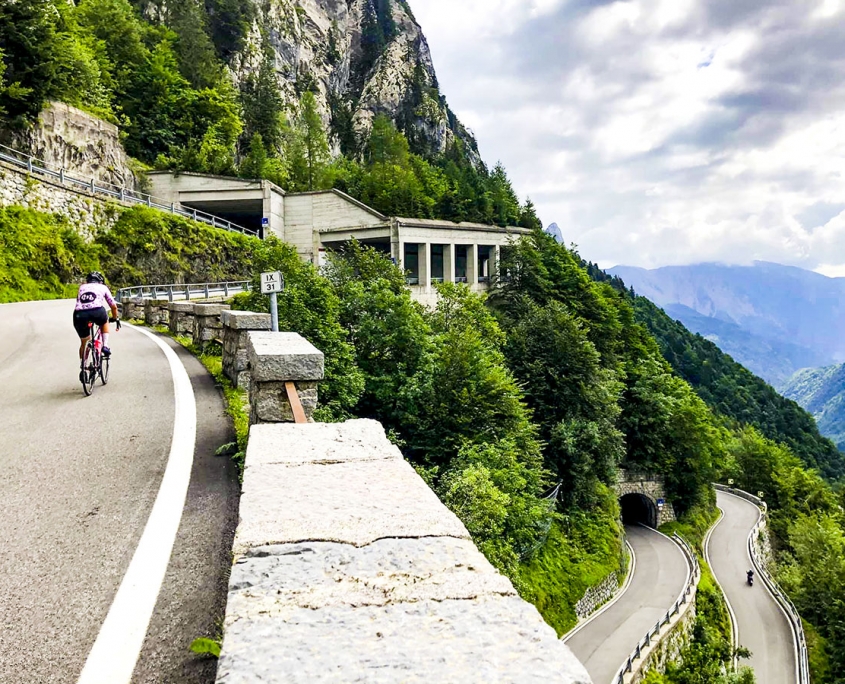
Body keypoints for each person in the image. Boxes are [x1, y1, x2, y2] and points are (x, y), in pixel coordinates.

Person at [74, 272, 119, 359]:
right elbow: (113, 306)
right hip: (97, 311)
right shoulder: (103, 287)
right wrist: (114, 317)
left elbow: (79, 301)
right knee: (105, 320)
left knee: (84, 342)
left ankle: (83, 368)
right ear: (101, 281)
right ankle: (105, 345)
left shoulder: (82, 287)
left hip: (79, 315)